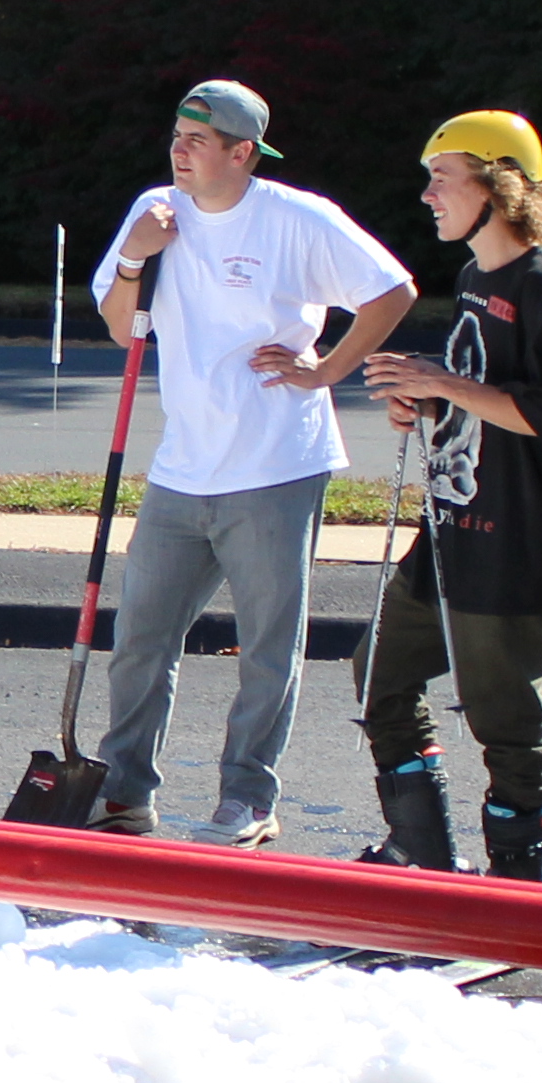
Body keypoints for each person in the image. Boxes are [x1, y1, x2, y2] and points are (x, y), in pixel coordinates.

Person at [83, 77, 420, 843]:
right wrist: (135, 258)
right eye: (176, 133)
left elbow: (392, 290)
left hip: (275, 464)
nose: (179, 148)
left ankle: (248, 799)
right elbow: (119, 328)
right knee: (140, 638)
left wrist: (329, 368)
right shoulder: (152, 213)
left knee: (269, 644)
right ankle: (124, 790)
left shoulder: (297, 219)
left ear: (243, 152)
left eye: (198, 139)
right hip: (182, 468)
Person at [355, 107, 542, 878]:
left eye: (442, 179)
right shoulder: (477, 276)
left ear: (497, 186)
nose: (428, 196)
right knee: (380, 672)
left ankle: (514, 876)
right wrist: (427, 399)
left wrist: (445, 383)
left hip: (510, 534)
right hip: (451, 524)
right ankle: (424, 847)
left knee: (504, 715)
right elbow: (483, 390)